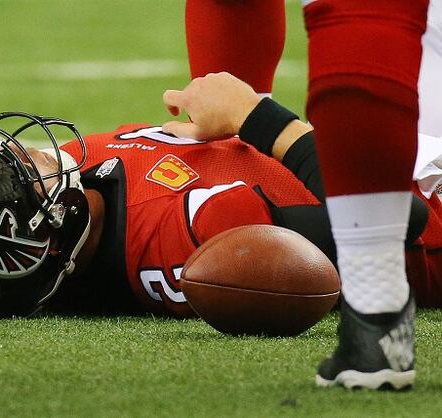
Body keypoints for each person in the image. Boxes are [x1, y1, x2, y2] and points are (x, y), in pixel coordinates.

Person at [0, 71, 442, 320]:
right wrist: (259, 117)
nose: (33, 151)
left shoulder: (61, 242)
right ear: (46, 224)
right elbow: (388, 216)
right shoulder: (186, 234)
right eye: (28, 166)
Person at [185, 0, 437, 390]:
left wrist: (240, 119)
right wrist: (253, 119)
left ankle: (375, 309)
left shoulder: (105, 171)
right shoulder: (172, 229)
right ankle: (375, 302)